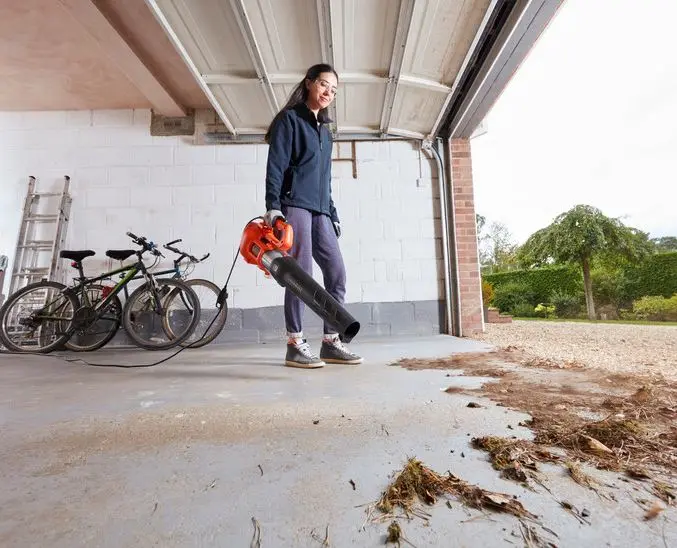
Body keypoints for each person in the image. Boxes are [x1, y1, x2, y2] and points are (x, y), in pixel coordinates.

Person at [263, 63, 363, 369]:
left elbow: (325, 178)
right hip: (294, 205)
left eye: (333, 90)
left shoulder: (326, 131)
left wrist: (333, 213)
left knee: (336, 272)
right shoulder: (290, 120)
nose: (328, 93)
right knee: (300, 276)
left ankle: (331, 342)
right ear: (308, 83)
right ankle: (295, 343)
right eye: (323, 85)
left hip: (320, 210)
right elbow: (276, 165)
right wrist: (273, 206)